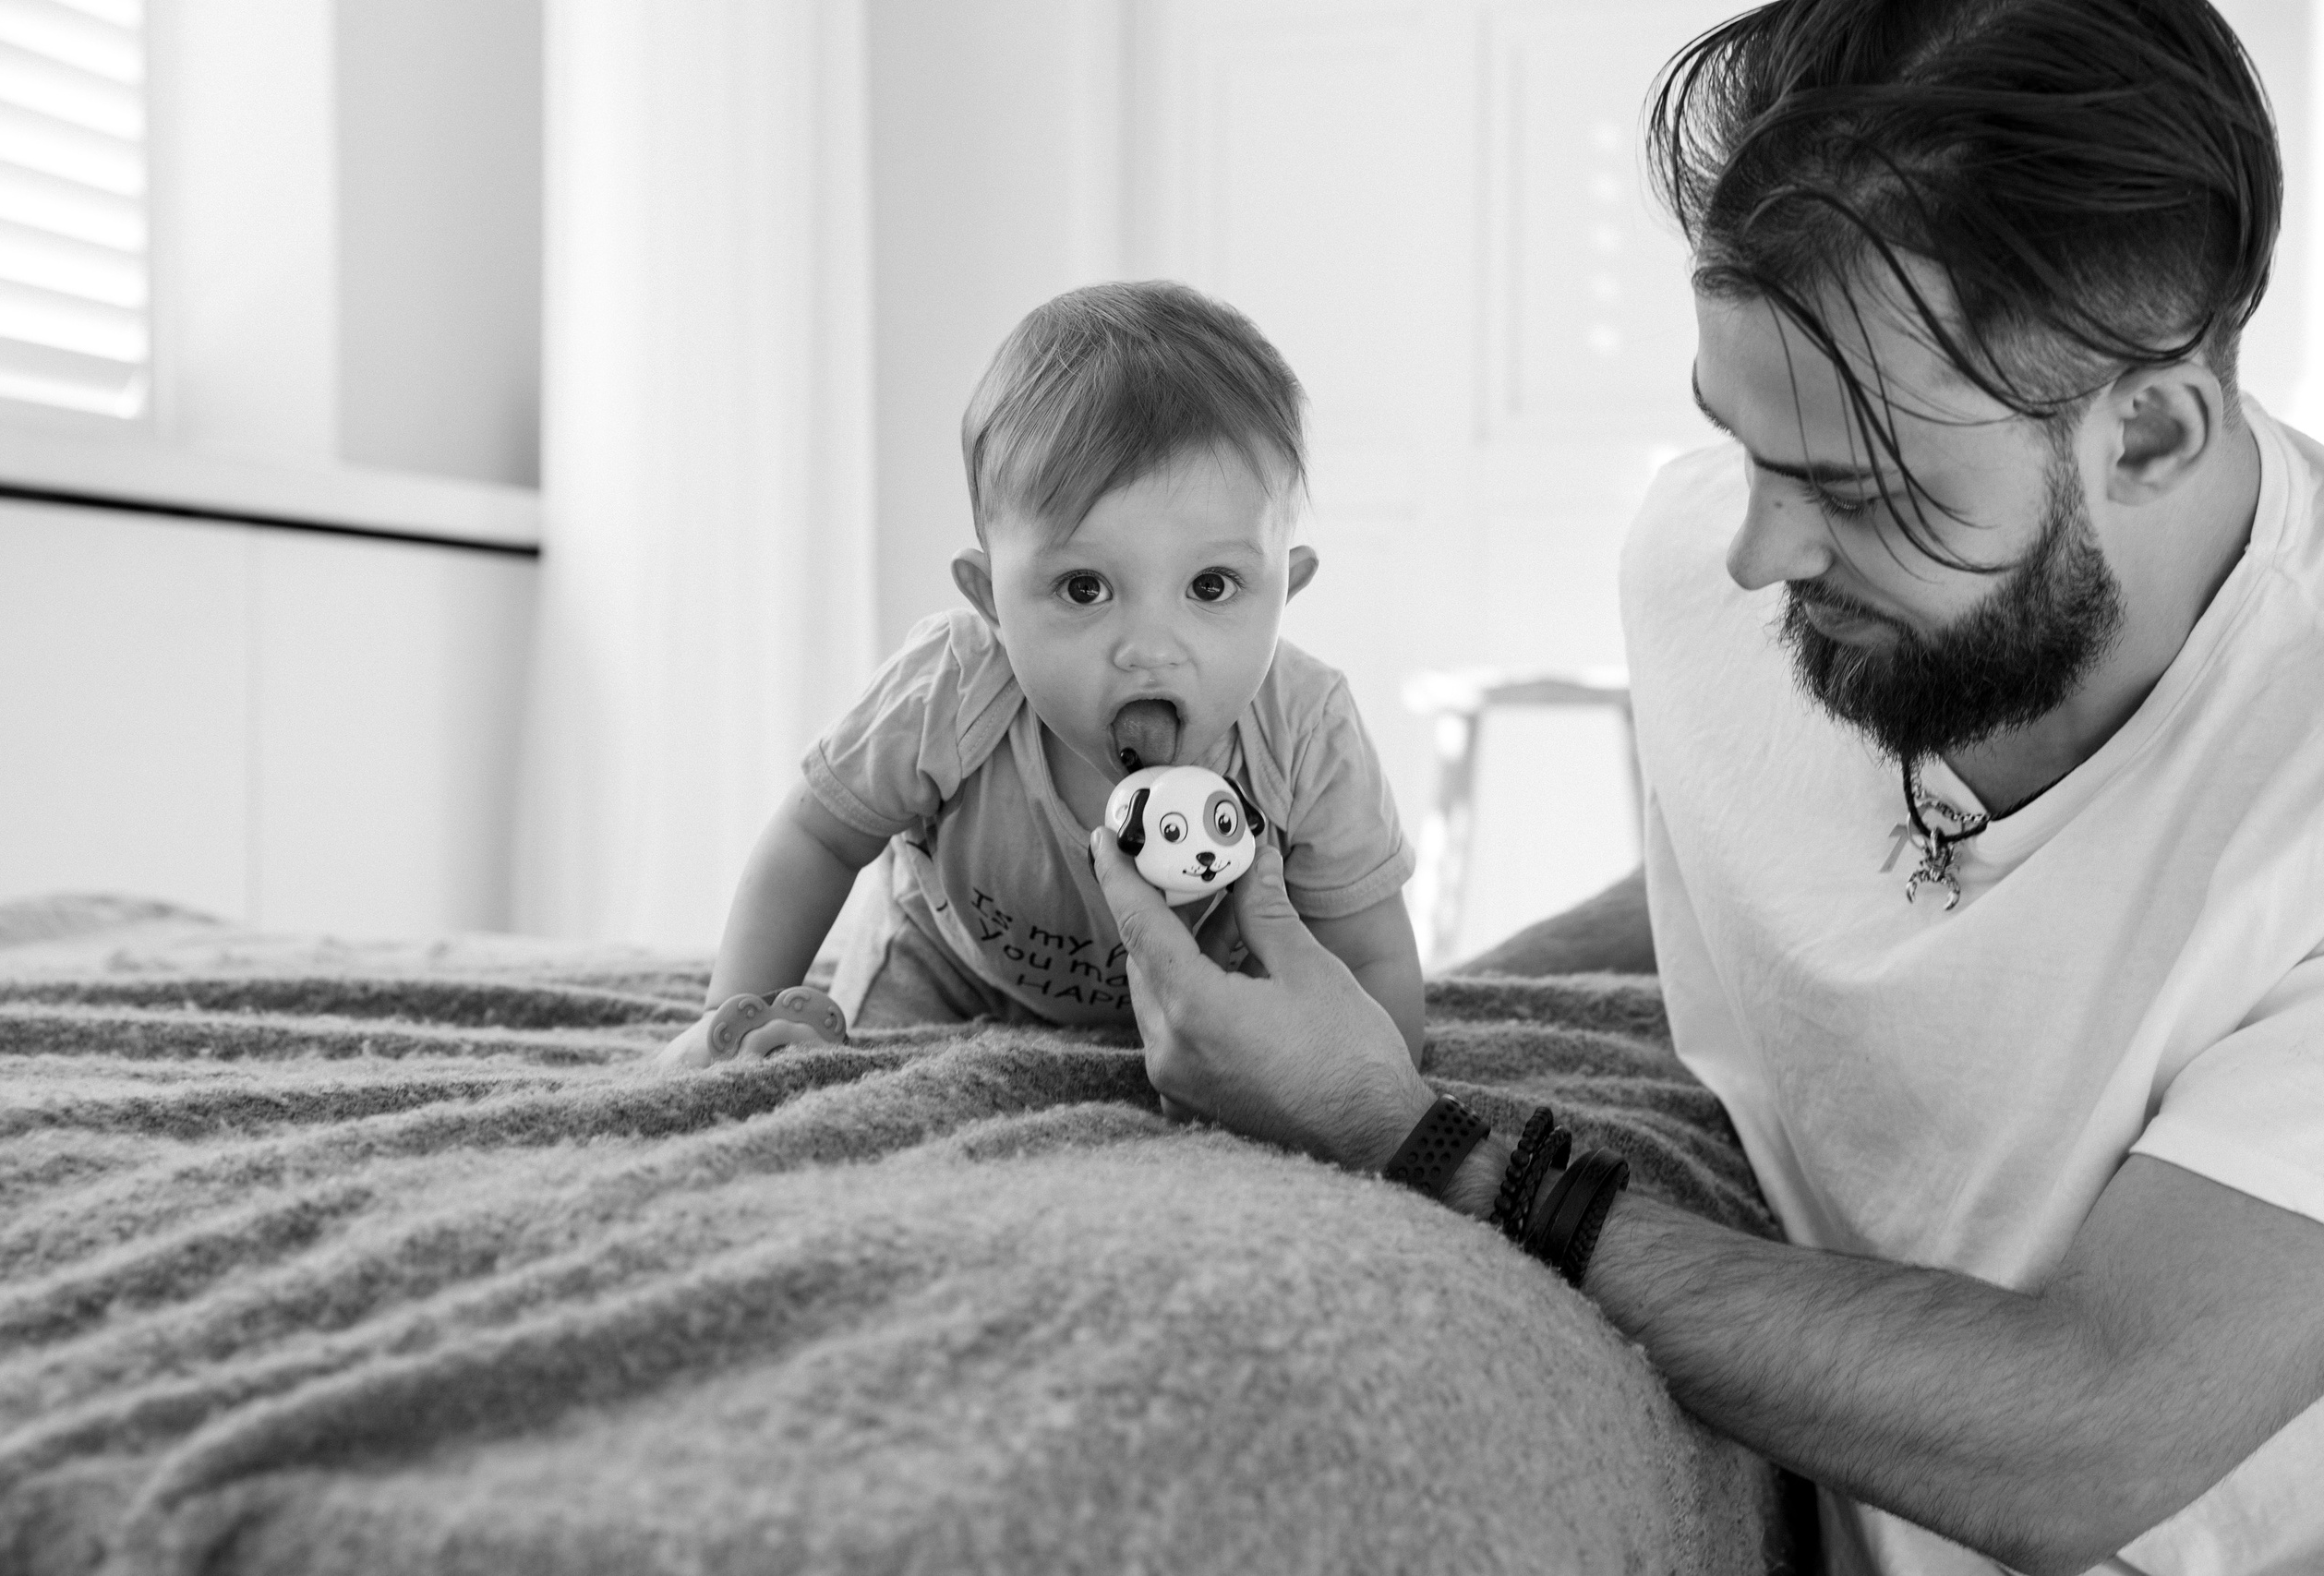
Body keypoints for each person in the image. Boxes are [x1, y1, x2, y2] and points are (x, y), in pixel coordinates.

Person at [1086, 2, 2324, 1571]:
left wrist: (1404, 1127)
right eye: (1737, 442)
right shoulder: (1703, 567)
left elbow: (2101, 1426)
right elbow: (1762, 876)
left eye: (1859, 491)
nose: (1756, 554)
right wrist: (1379, 994)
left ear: (2149, 431)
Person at [659, 281, 1423, 1069]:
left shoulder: (1306, 731)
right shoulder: (951, 688)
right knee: (861, 1088)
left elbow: (1373, 959)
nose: (1149, 650)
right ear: (989, 597)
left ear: (1285, 590)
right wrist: (731, 1015)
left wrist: (1357, 1082)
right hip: (948, 978)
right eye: (1084, 588)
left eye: (1211, 586)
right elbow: (815, 837)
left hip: (1193, 1002)